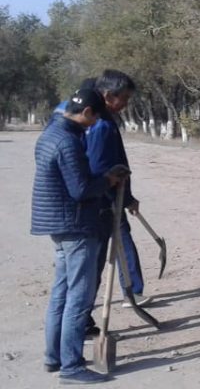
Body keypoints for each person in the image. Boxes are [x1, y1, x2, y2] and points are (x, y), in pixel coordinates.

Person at [32, 88, 126, 384]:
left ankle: (53, 357)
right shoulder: (68, 142)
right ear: (87, 112)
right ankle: (71, 366)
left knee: (61, 292)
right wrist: (109, 180)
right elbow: (81, 190)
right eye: (95, 118)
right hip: (76, 228)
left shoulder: (50, 133)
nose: (94, 124)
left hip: (58, 226)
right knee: (78, 298)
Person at [84, 71, 150, 308]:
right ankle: (84, 313)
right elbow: (101, 169)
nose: (126, 104)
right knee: (97, 259)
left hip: (114, 198)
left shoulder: (106, 119)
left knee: (122, 241)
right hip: (103, 203)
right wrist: (118, 198)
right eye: (124, 98)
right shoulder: (100, 125)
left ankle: (133, 291)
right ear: (108, 95)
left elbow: (117, 162)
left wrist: (127, 196)